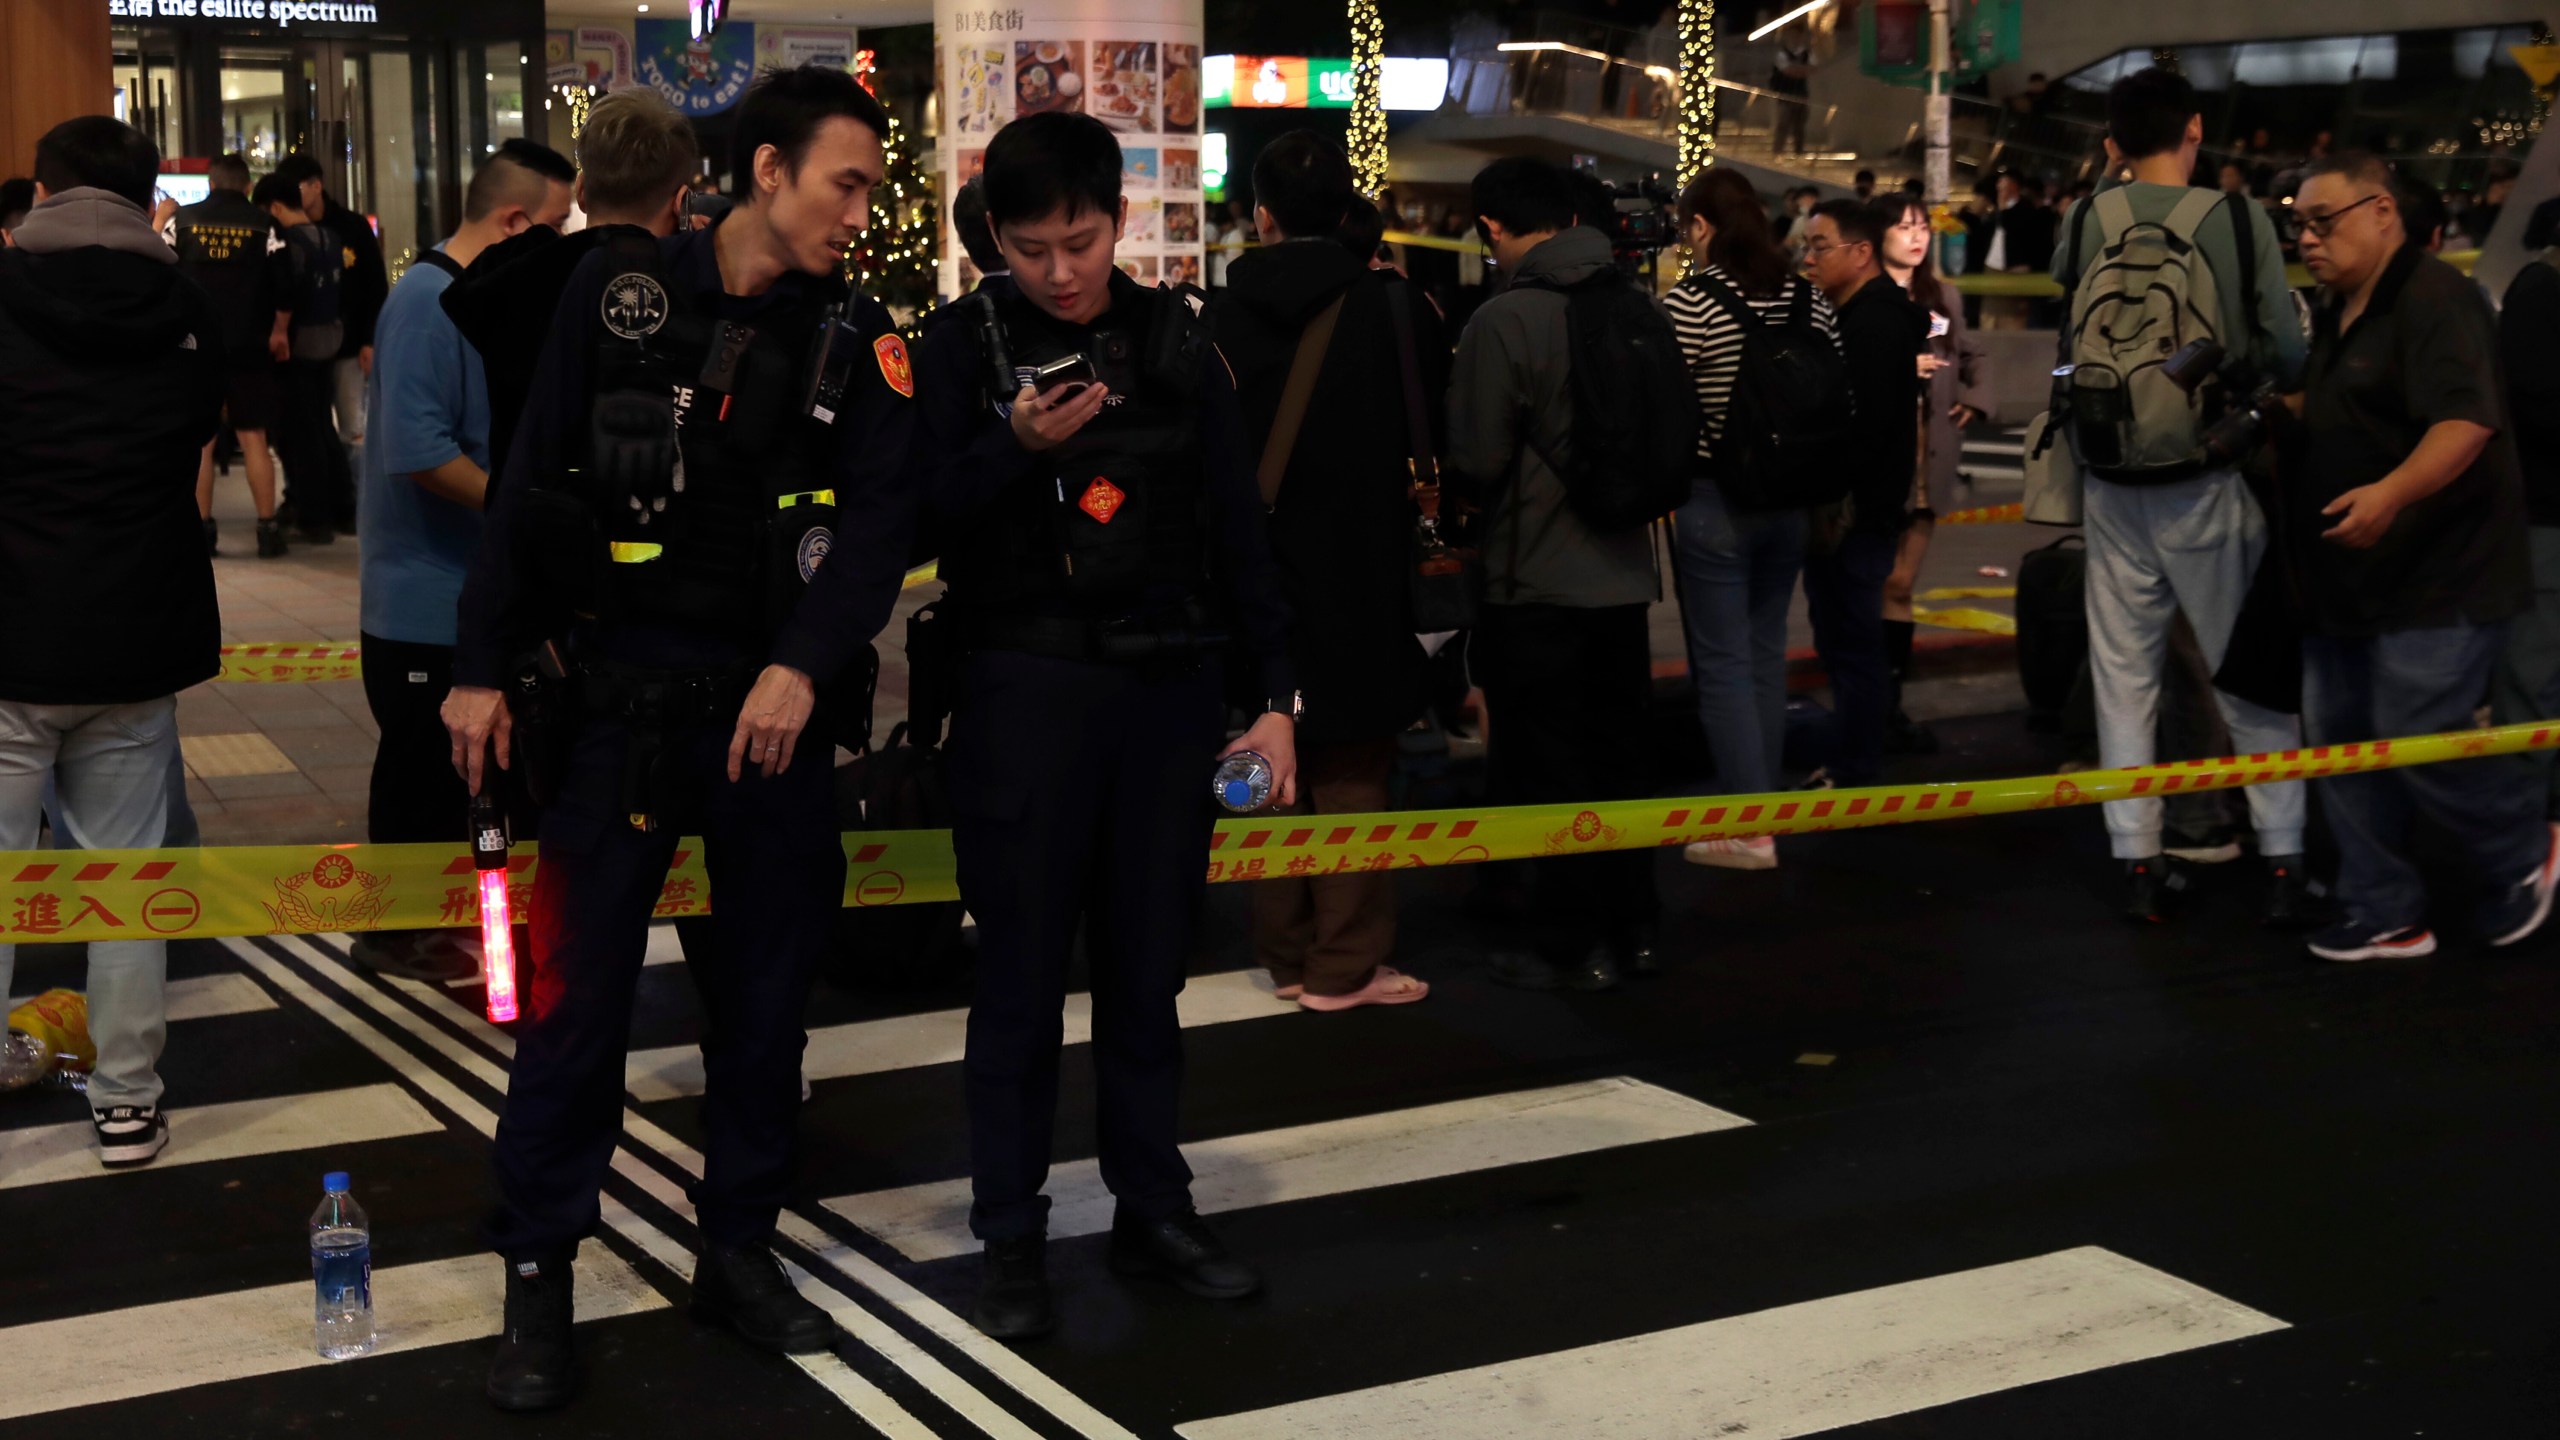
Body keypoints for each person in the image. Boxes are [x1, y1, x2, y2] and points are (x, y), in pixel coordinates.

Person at [441, 66, 916, 1410]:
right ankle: (539, 1273)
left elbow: (878, 529)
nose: (860, 213)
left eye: (872, 189)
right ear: (766, 170)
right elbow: (535, 473)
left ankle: (740, 1251)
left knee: (764, 1014)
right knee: (573, 1013)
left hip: (768, 731)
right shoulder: (623, 290)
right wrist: (480, 666)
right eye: (847, 182)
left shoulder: (856, 336)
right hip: (618, 713)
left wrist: (802, 666)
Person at [910, 110, 1294, 1339]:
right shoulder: (957, 348)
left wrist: (1278, 705)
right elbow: (906, 518)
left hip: (1166, 698)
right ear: (995, 244)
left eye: (1077, 241)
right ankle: (1009, 1233)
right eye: (1029, 250)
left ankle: (1153, 1205)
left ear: (1118, 221)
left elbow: (1242, 534)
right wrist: (1006, 448)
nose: (1059, 272)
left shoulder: (1180, 343)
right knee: (1017, 986)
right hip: (1024, 693)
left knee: (1148, 976)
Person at [0, 116, 224, 1167]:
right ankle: (127, 1100)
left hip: (9, 633)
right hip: (138, 630)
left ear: (41, 193)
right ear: (147, 200)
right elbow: (193, 437)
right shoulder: (188, 308)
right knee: (126, 880)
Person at [2053, 66, 2312, 925]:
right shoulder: (2239, 220)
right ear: (2194, 128)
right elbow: (2282, 348)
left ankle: (2137, 863)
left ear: (2115, 140)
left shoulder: (2089, 215)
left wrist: (2105, 176)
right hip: (2206, 474)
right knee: (2247, 675)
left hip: (2109, 475)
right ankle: (2283, 858)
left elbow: (2067, 314)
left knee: (2123, 677)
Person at [2286, 153, 2558, 962]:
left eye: (2322, 219)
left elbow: (2465, 424)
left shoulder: (2438, 299)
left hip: (2442, 572)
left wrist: (2392, 493)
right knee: (2337, 735)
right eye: (2298, 221)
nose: (2307, 236)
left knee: (2419, 726)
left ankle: (2521, 849)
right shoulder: (2340, 309)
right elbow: (2347, 407)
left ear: (2381, 212)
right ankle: (2384, 906)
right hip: (2349, 575)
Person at [1214, 128, 1438, 1011]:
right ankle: (1344, 965)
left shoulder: (1218, 317)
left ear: (1260, 216)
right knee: (1352, 764)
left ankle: (1285, 951)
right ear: (1347, 210)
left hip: (1253, 567)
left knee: (1271, 752)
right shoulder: (1397, 309)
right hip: (1366, 568)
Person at [347, 139, 573, 982]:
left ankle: (451, 931)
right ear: (514, 222)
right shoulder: (427, 301)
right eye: (555, 225)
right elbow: (419, 451)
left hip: (470, 597)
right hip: (421, 608)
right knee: (423, 784)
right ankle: (403, 936)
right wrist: (528, 515)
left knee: (474, 787)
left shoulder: (483, 302)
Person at [1449, 156, 1659, 992]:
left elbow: (1477, 455)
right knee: (1623, 760)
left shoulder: (1506, 320)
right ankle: (1635, 924)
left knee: (1549, 762)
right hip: (1624, 574)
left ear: (1494, 228)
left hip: (1533, 578)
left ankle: (1567, 939)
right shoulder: (1633, 306)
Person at [1662, 166, 1838, 870]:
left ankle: (1747, 823)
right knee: (1765, 655)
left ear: (1701, 227)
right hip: (1792, 498)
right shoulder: (1807, 300)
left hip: (1715, 500)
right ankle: (1762, 810)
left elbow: (1667, 400)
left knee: (1724, 662)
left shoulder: (1694, 302)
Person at [444, 92, 698, 500]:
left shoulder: (521, 277)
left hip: (528, 533)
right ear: (682, 202)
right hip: (652, 538)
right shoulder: (691, 289)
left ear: (582, 191)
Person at [1800, 197, 1923, 789]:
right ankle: (1853, 760)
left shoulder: (1872, 324)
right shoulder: (1864, 314)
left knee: (1852, 643)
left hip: (1855, 514)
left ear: (1861, 252)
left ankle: (1855, 769)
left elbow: (1865, 428)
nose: (1810, 258)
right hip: (1858, 510)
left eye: (1820, 246)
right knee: (1846, 641)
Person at [1881, 193, 1989, 755]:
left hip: (1931, 454)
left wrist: (1973, 396)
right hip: (1882, 459)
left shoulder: (1940, 294)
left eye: (1921, 226)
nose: (1916, 236)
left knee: (1901, 583)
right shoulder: (1866, 295)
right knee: (1882, 583)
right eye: (1903, 227)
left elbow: (1973, 354)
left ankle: (1888, 701)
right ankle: (1876, 701)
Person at [171, 152, 291, 558]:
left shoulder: (181, 221)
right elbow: (286, 284)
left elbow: (163, 276)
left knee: (202, 442)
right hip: (250, 344)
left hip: (195, 346)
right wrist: (279, 331)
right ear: (247, 186)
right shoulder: (265, 225)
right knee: (253, 436)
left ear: (209, 183)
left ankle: (203, 530)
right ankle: (267, 528)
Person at [273, 152, 389, 520]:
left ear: (316, 186)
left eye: (297, 189)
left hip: (351, 343)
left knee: (352, 426)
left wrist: (371, 340)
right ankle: (315, 499)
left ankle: (359, 504)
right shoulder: (284, 233)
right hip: (305, 348)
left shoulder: (351, 227)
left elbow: (375, 286)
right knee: (313, 424)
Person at [2494, 207, 2560, 814]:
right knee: (2534, 679)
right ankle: (2525, 827)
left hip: (2544, 516)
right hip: (2544, 518)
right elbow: (2536, 407)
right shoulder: (2539, 292)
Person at [251, 170, 353, 551]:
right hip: (329, 340)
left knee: (299, 433)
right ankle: (343, 508)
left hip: (297, 347)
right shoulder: (330, 236)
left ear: (275, 207)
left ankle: (313, 517)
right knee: (322, 428)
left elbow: (283, 294)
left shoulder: (290, 243)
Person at [1978, 170, 2056, 329]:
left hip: (2014, 270)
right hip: (1992, 268)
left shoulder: (2025, 210)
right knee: (1990, 315)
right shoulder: (1995, 212)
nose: (2000, 188)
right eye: (1999, 185)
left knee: (2011, 317)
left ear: (2015, 186)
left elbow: (2017, 231)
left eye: (2005, 184)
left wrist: (2004, 208)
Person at [1769, 26, 1813, 155]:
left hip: (1801, 94)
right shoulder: (1782, 54)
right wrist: (1800, 70)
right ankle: (1778, 151)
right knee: (1783, 123)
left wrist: (1797, 70)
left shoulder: (1806, 53)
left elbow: (1811, 69)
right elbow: (1788, 71)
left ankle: (1798, 151)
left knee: (1799, 125)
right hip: (1785, 94)